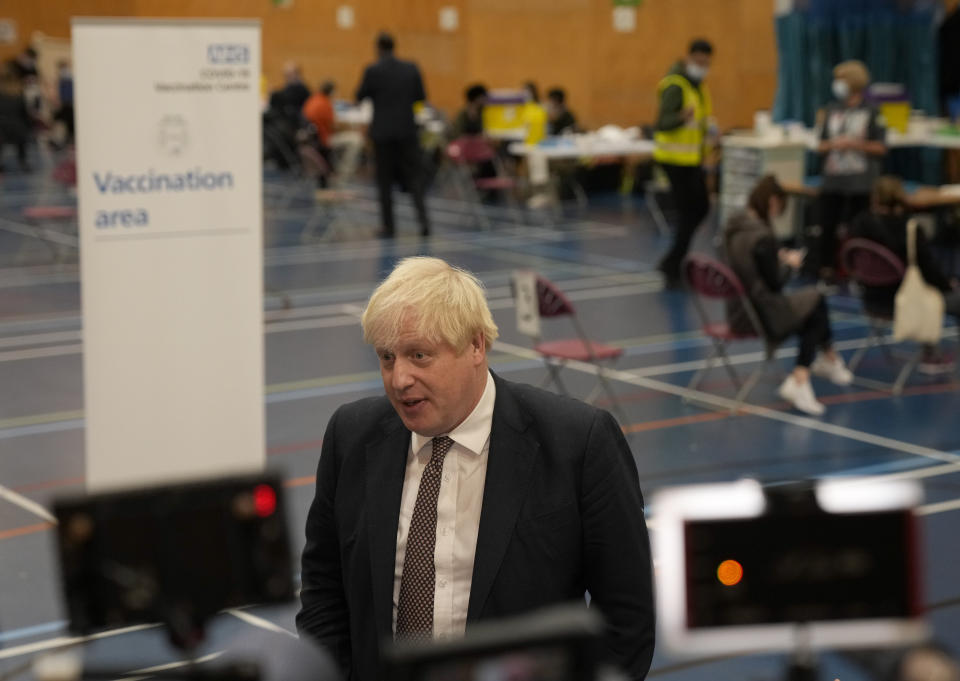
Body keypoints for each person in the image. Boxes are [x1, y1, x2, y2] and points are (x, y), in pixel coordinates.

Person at [296, 257, 655, 681]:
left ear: (476, 346)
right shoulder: (351, 436)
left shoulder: (578, 442)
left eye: (419, 355)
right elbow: (324, 589)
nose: (399, 379)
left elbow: (627, 616)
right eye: (387, 357)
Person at [724, 176, 853, 416]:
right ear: (773, 202)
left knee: (811, 306)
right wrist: (790, 264)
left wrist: (776, 258)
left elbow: (750, 266)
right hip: (761, 312)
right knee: (816, 302)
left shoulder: (734, 227)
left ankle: (823, 362)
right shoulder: (762, 236)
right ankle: (805, 375)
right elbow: (775, 283)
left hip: (737, 308)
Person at [849, 176, 959, 373]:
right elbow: (929, 270)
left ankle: (930, 350)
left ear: (875, 198)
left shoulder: (859, 223)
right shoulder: (909, 228)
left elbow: (848, 259)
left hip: (869, 298)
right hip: (904, 301)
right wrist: (948, 286)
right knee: (947, 297)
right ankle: (930, 355)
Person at [652, 39, 715, 289]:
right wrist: (680, 117)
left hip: (692, 159)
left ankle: (673, 261)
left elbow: (699, 122)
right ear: (688, 58)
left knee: (701, 208)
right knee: (690, 211)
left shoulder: (698, 86)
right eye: (698, 61)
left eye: (707, 63)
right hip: (674, 159)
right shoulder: (675, 85)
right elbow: (662, 122)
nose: (702, 66)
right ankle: (673, 266)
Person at [816, 60, 887, 280]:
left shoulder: (873, 112)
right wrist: (833, 144)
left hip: (861, 182)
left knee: (860, 228)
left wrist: (855, 144)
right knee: (827, 226)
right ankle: (827, 268)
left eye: (841, 80)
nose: (837, 85)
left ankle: (859, 269)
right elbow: (820, 144)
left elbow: (882, 147)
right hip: (833, 180)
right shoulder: (830, 110)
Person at [356, 32, 431, 238]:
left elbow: (360, 95)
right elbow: (421, 96)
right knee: (415, 178)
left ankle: (389, 226)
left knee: (385, 181)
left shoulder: (372, 70)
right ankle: (424, 222)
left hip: (383, 134)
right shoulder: (411, 68)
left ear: (378, 48)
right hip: (407, 131)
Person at [302, 80, 337, 179]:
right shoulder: (325, 104)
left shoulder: (312, 99)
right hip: (323, 139)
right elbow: (332, 126)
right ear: (331, 92)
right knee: (354, 142)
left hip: (312, 137)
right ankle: (344, 173)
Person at [0, 67, 32, 172]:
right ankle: (23, 162)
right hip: (18, 126)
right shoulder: (19, 92)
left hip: (2, 127)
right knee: (21, 141)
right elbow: (24, 112)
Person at [275, 61, 311, 130]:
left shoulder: (300, 88)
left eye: (288, 75)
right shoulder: (288, 87)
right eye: (285, 75)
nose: (286, 77)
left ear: (296, 74)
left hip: (297, 121)